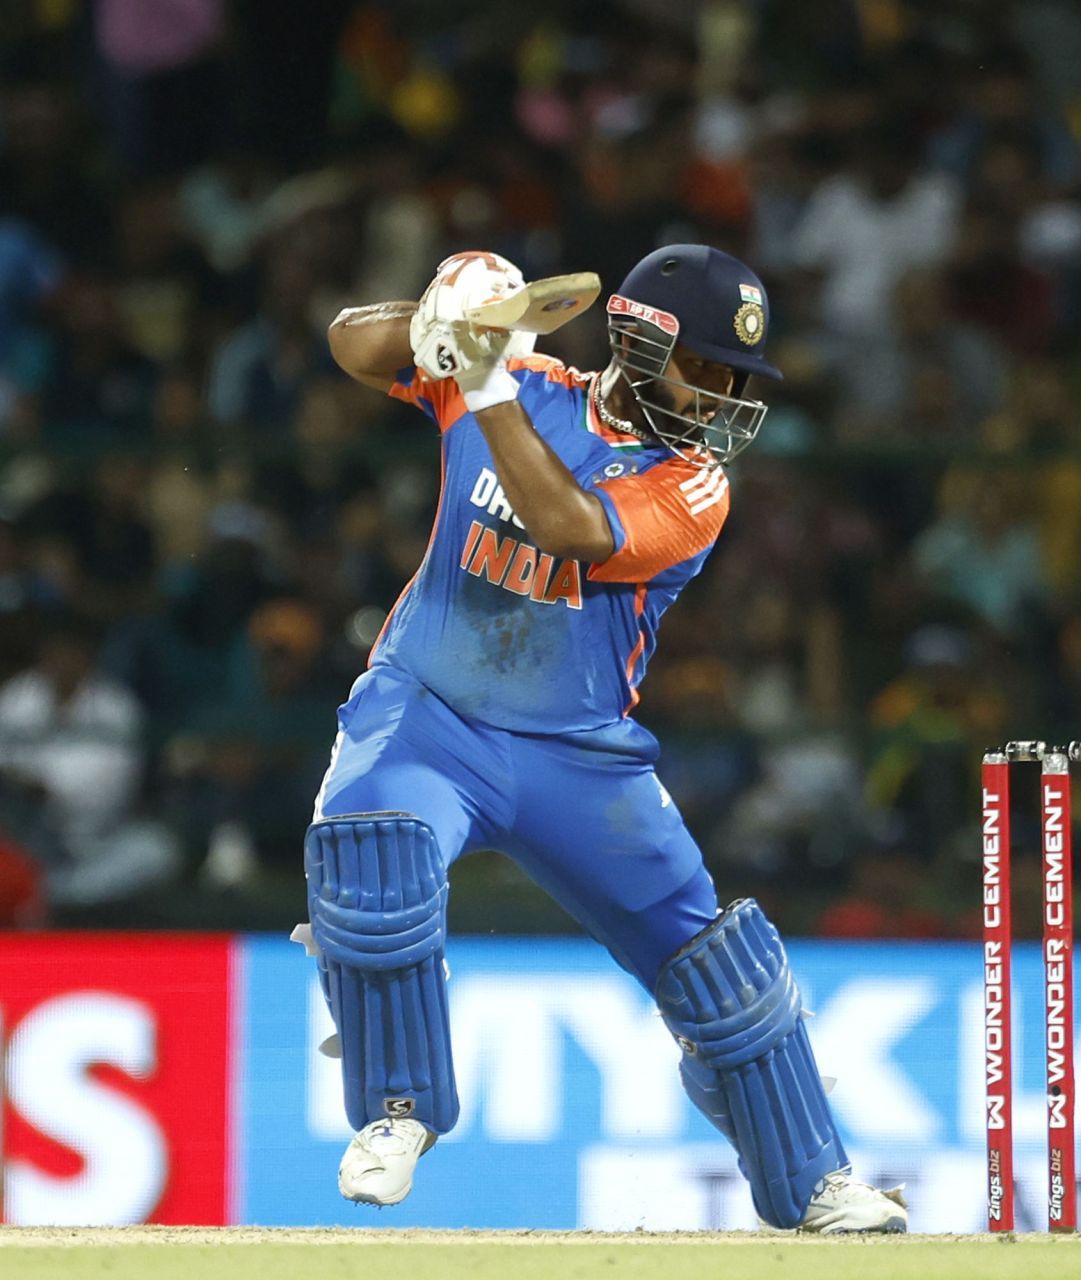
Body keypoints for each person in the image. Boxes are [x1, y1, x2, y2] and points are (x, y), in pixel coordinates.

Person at [307, 245, 907, 1232]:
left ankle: (813, 1180)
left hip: (575, 751)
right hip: (430, 713)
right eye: (708, 369)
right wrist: (442, 315)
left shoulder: (695, 485)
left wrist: (484, 378)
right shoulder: (526, 383)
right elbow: (348, 343)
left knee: (717, 961)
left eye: (734, 380)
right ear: (635, 343)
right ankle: (396, 1110)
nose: (721, 398)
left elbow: (570, 527)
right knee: (374, 853)